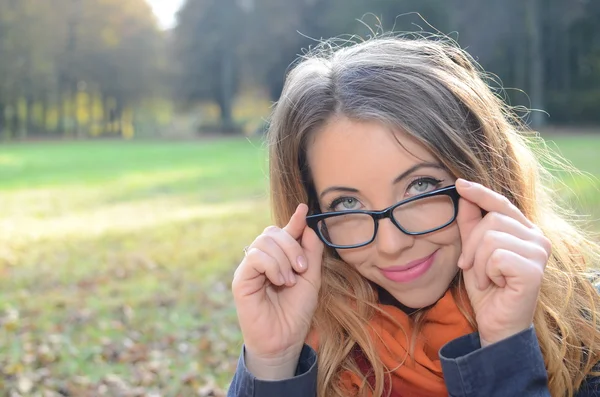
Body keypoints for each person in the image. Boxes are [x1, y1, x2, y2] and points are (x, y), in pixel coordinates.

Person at [227, 34, 600, 397]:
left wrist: (506, 348)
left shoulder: (588, 333)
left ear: (485, 175)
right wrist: (273, 365)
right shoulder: (316, 343)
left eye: (420, 187)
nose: (391, 244)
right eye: (346, 204)